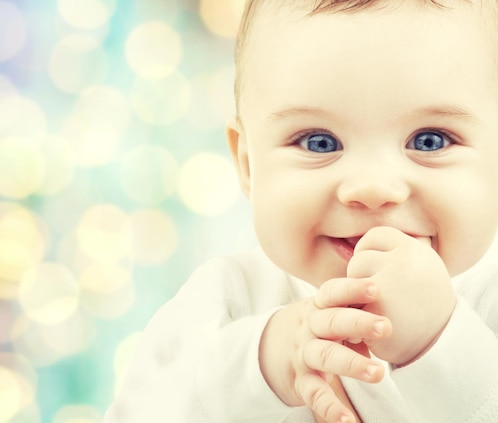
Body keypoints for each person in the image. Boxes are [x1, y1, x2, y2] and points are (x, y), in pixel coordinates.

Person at [103, 0, 498, 421]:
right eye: (319, 142)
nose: (371, 189)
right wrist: (262, 364)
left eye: (430, 141)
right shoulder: (228, 300)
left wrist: (440, 342)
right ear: (250, 166)